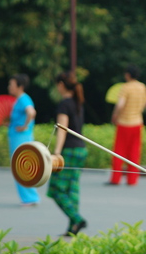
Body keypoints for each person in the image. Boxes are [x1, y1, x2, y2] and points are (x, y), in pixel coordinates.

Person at [47, 71, 88, 236]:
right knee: (73, 189)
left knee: (56, 189)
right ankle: (73, 228)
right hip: (80, 149)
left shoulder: (64, 104)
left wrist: (57, 152)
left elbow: (62, 129)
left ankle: (77, 219)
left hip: (69, 150)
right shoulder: (78, 102)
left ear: (61, 85)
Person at [106, 65, 146, 186]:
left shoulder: (125, 87)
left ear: (128, 75)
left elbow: (120, 104)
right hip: (138, 123)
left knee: (119, 152)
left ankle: (115, 178)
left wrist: (114, 116)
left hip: (124, 123)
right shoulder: (142, 87)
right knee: (134, 152)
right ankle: (132, 180)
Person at [7, 73, 40, 206]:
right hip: (17, 137)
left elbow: (31, 112)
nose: (9, 87)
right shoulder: (19, 100)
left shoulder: (24, 99)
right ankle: (29, 197)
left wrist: (24, 126)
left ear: (19, 86)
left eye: (11, 84)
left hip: (21, 138)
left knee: (22, 167)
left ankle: (30, 198)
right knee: (21, 167)